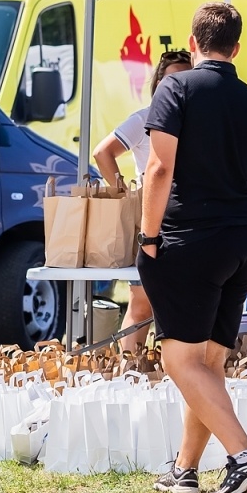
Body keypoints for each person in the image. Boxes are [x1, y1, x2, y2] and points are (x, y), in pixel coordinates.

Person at [137, 2, 247, 493]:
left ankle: (245, 455)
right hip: (241, 242)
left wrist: (147, 236)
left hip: (186, 238)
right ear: (237, 48)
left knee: (180, 360)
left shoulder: (174, 87)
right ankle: (185, 470)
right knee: (209, 363)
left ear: (193, 44)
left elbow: (158, 169)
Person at [92, 49, 192, 356]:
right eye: (171, 78)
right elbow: (102, 153)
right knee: (142, 303)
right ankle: (129, 372)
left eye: (185, 78)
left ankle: (167, 373)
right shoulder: (145, 118)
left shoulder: (198, 120)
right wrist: (124, 193)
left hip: (189, 224)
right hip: (152, 224)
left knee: (183, 304)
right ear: (159, 82)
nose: (178, 85)